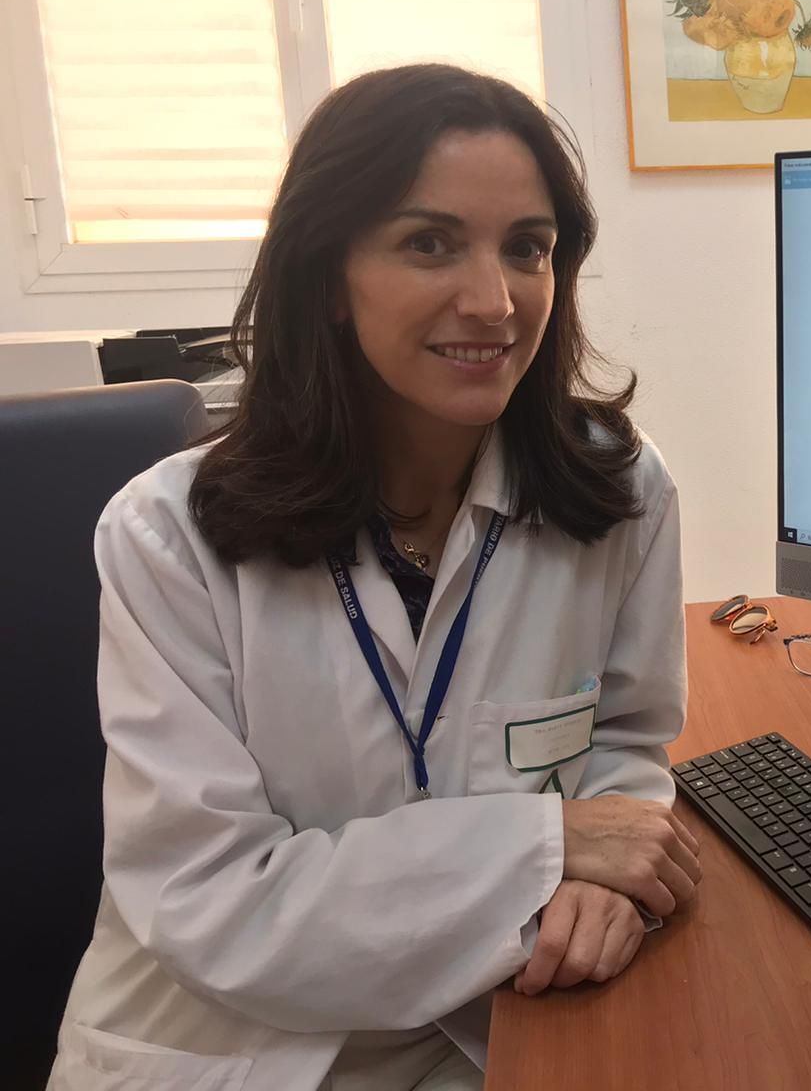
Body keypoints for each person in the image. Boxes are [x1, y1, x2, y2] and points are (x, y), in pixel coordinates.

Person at [47, 65, 701, 1091]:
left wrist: (606, 882)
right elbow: (215, 902)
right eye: (429, 243)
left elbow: (624, 740)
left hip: (495, 1019)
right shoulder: (169, 536)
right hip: (224, 1048)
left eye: (526, 247)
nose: (494, 301)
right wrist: (545, 849)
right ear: (327, 277)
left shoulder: (617, 491)